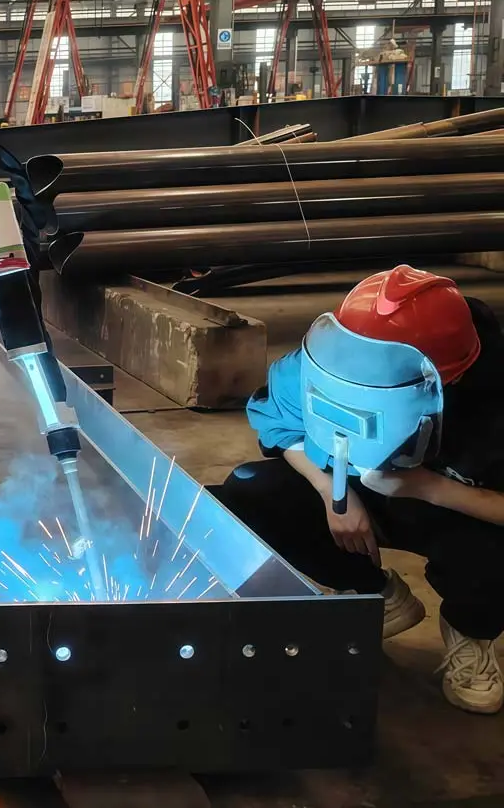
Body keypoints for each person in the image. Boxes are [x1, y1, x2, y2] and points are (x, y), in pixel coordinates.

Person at [214, 266, 504, 714]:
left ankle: (471, 631)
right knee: (251, 490)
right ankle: (375, 596)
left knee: (491, 556)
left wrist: (427, 487)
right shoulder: (339, 356)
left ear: (447, 380)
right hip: (361, 489)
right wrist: (334, 494)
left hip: (459, 508)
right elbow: (279, 421)